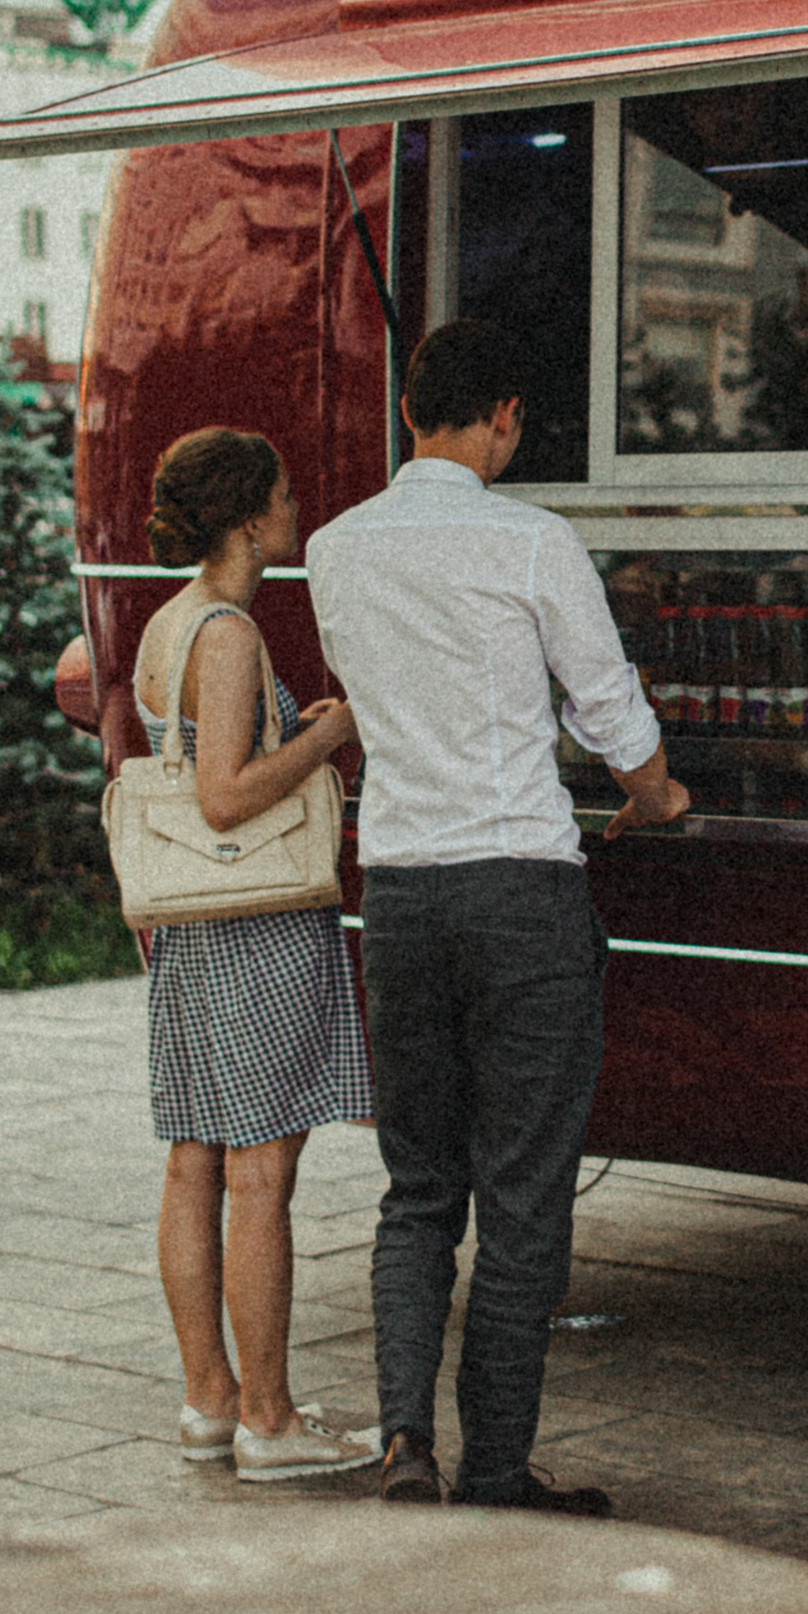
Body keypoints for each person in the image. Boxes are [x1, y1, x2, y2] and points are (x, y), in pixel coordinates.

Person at [307, 318, 690, 1516]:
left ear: (412, 410)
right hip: (523, 891)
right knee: (523, 1192)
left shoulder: (335, 549)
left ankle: (403, 1439)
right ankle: (497, 1470)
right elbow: (608, 707)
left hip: (404, 898)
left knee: (418, 1186)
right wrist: (656, 796)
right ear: (505, 417)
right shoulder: (531, 541)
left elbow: (370, 704)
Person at [134, 426, 375, 1482]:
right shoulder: (228, 634)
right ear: (246, 519)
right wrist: (329, 733)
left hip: (189, 928)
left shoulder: (168, 625)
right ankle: (270, 1420)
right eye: (281, 495)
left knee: (194, 1160)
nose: (294, 509)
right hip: (253, 924)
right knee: (261, 1169)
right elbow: (226, 794)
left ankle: (210, 1399)